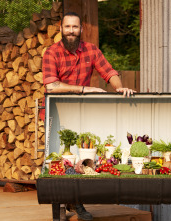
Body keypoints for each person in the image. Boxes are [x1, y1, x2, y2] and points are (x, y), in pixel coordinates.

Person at [41, 12, 135, 220]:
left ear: (81, 29)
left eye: (75, 27)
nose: (71, 31)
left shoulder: (91, 50)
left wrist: (119, 88)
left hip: (81, 112)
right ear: (61, 29)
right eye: (68, 27)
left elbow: (109, 73)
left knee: (81, 158)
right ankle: (60, 208)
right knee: (58, 159)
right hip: (56, 111)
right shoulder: (51, 52)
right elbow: (51, 85)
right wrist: (84, 89)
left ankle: (76, 202)